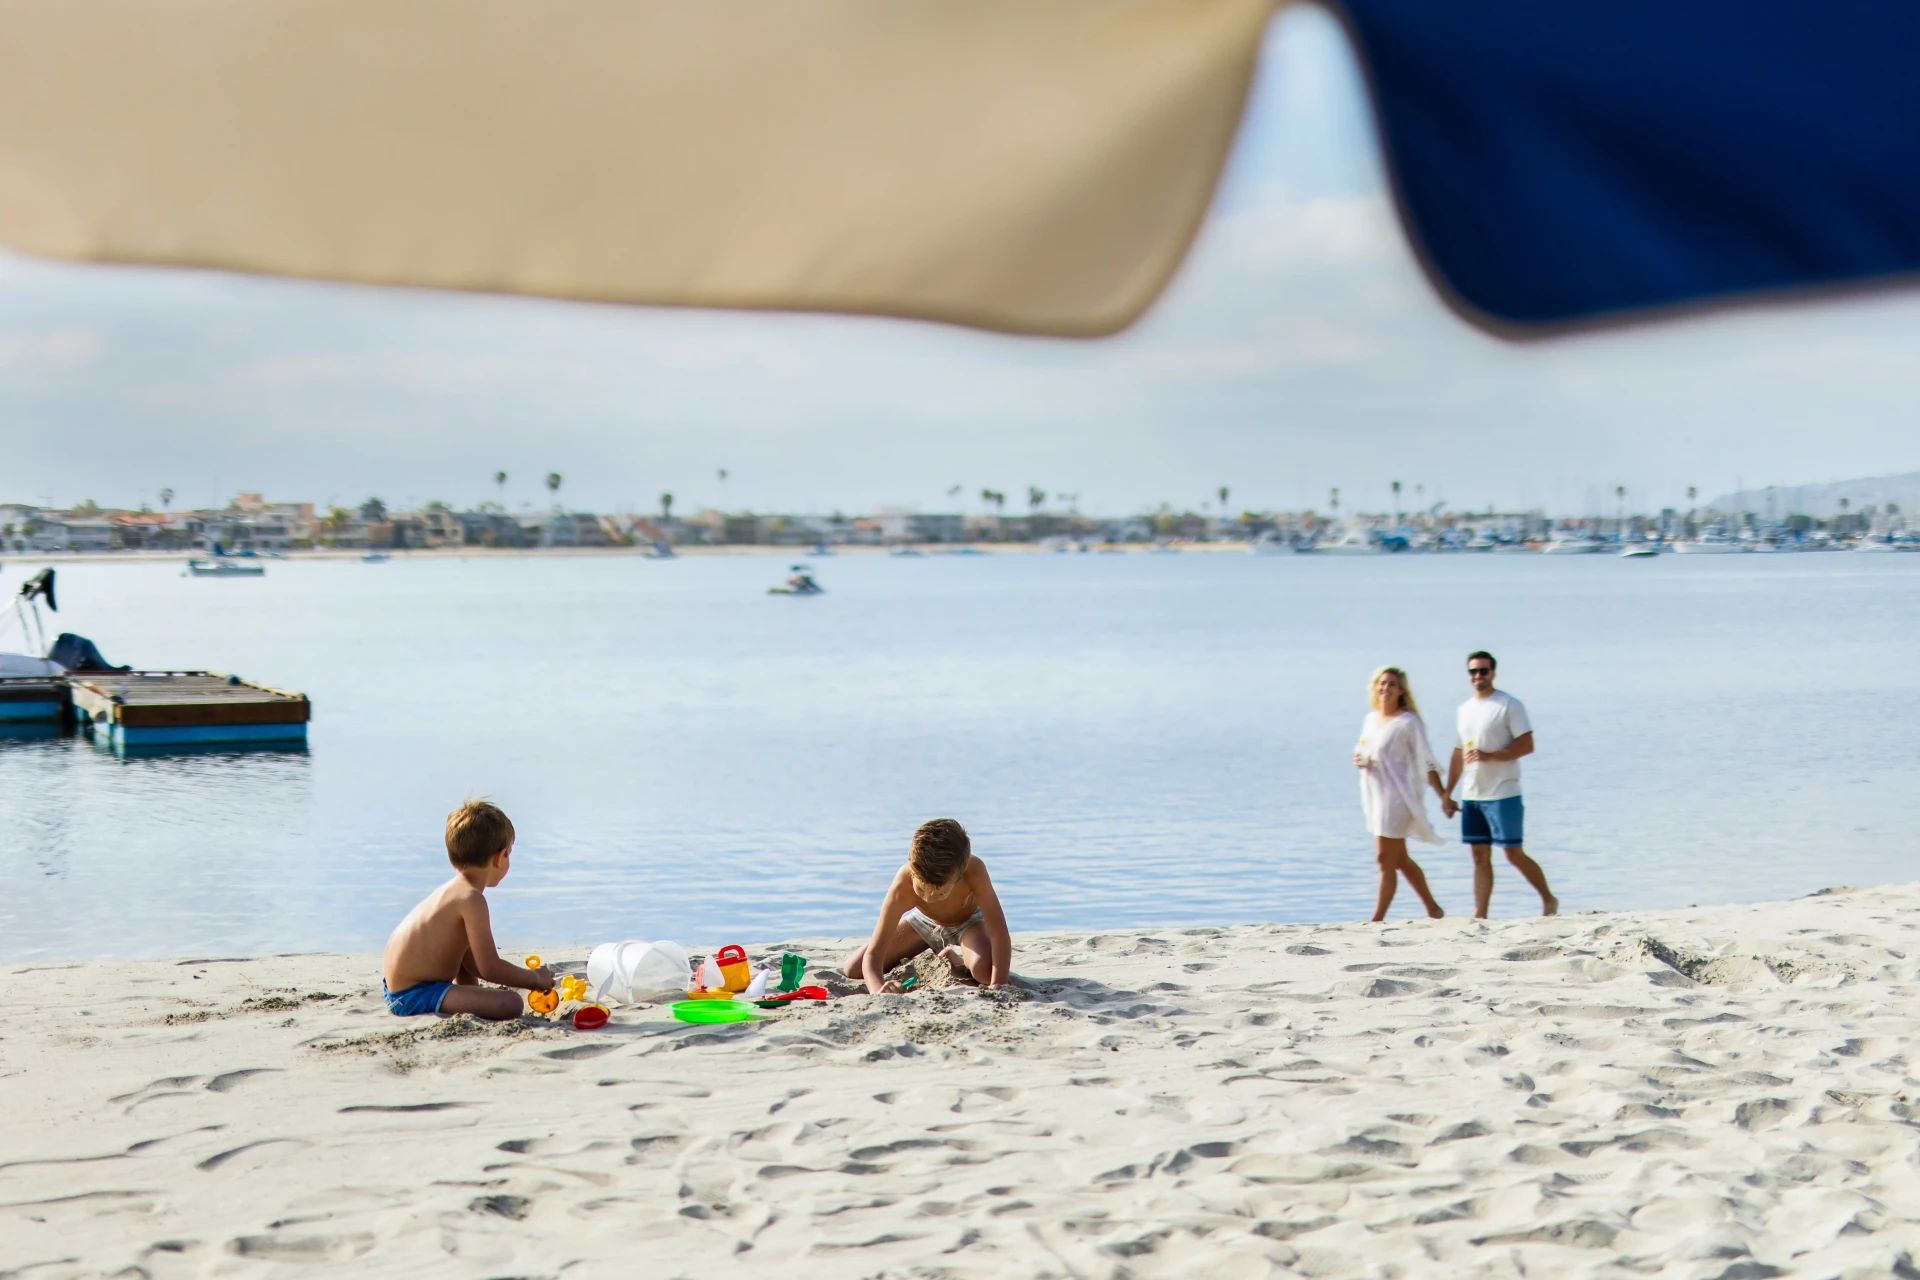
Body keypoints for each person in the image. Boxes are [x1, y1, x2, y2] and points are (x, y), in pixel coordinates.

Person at [380, 799, 556, 1019]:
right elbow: (490, 968)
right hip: (413, 993)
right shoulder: (471, 899)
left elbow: (473, 964)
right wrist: (534, 978)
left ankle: (467, 999)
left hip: (397, 986)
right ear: (498, 858)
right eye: (508, 853)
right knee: (510, 1003)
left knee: (463, 954)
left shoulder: (452, 891)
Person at [1446, 651, 1558, 918]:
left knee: (1512, 853)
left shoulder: (1508, 705)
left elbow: (1527, 744)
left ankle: (1548, 899)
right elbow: (1458, 753)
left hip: (1503, 791)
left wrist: (1490, 755)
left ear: (1493, 673)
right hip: (1473, 794)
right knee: (1479, 857)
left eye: (1483, 671)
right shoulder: (1464, 710)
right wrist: (1447, 793)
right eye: (1473, 671)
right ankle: (1480, 914)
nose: (1478, 676)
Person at [844, 818, 1014, 991]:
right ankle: (937, 953)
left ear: (960, 874)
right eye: (921, 889)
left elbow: (998, 933)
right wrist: (878, 989)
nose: (928, 898)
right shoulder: (903, 885)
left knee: (984, 972)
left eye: (940, 893)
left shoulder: (974, 870)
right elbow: (874, 952)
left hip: (968, 923)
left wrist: (998, 984)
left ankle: (955, 960)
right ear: (911, 862)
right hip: (923, 921)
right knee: (854, 969)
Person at [1354, 666, 1455, 922]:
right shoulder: (1371, 719)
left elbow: (1426, 761)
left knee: (1384, 859)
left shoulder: (1408, 722)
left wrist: (1443, 794)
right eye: (1382, 683)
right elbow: (1366, 749)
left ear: (1401, 691)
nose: (1385, 688)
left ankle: (1376, 919)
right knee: (1399, 859)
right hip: (1375, 798)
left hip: (1397, 799)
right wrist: (1360, 759)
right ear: (1375, 687)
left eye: (1391, 684)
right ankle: (1433, 909)